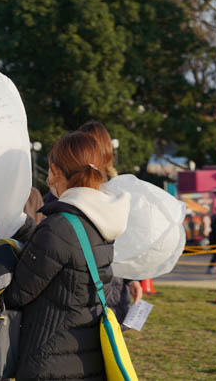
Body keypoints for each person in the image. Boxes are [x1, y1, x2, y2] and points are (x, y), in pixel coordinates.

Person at [3, 131, 129, 380]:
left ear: (55, 170)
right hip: (86, 354)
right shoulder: (100, 221)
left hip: (51, 357)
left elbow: (18, 293)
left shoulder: (59, 226)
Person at [79, 120, 142, 325]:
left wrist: (132, 278)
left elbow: (126, 241)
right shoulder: (69, 192)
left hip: (109, 284)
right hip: (90, 286)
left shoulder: (117, 191)